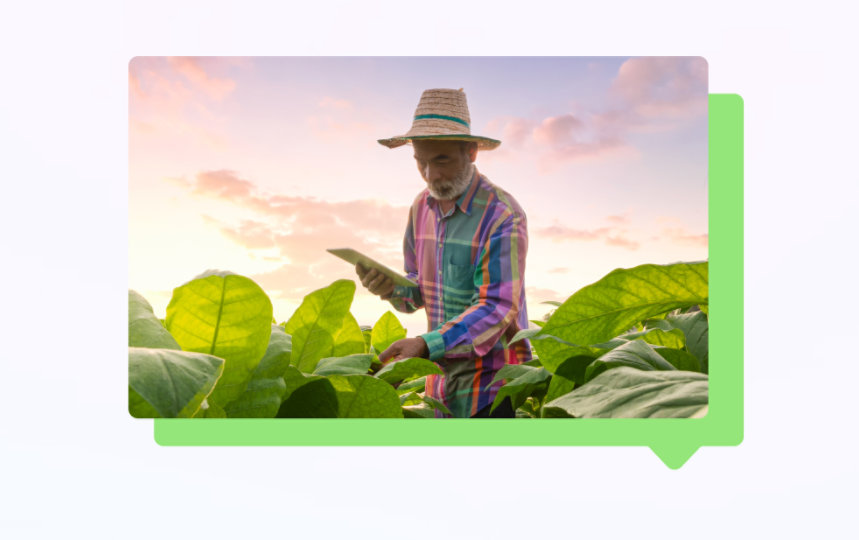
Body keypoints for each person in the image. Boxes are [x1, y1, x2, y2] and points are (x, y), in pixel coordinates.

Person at [356, 88, 532, 418]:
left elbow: (497, 306)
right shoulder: (420, 207)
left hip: (493, 386)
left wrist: (426, 345)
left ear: (472, 151)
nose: (430, 175)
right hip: (440, 388)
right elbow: (419, 290)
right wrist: (389, 287)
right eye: (420, 162)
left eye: (442, 161)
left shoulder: (503, 214)